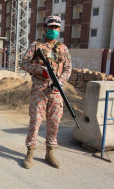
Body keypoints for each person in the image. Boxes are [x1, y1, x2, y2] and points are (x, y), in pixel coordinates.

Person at [20, 15, 72, 169]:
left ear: (59, 29)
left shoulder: (63, 48)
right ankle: (30, 153)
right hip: (39, 90)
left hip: (56, 91)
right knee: (35, 121)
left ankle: (50, 152)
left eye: (56, 27)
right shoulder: (36, 46)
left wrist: (60, 81)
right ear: (45, 28)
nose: (53, 30)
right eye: (51, 27)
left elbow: (68, 68)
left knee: (54, 123)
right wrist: (39, 70)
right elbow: (23, 63)